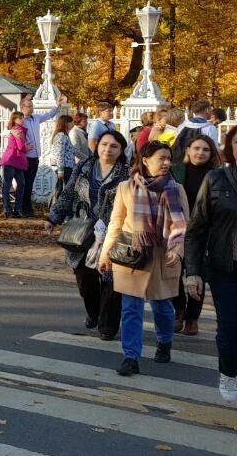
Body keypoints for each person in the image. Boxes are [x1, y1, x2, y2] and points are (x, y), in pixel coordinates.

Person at [98, 140, 189, 377]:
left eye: (169, 158)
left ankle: (164, 341)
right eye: (162, 158)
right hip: (133, 254)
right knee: (131, 308)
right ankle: (130, 357)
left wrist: (176, 250)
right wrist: (106, 253)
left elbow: (183, 224)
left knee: (162, 307)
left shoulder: (175, 189)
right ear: (146, 160)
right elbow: (116, 223)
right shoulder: (126, 188)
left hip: (163, 255)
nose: (167, 162)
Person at [48, 129, 130, 340]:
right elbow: (68, 193)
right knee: (85, 279)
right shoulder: (84, 167)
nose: (107, 149)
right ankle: (94, 312)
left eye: (114, 146)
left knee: (111, 282)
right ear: (97, 146)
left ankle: (107, 325)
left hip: (113, 232)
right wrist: (53, 217)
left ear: (121, 150)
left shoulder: (127, 173)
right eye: (104, 144)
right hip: (82, 231)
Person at [184, 126, 237, 403]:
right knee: (229, 327)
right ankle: (229, 372)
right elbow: (197, 229)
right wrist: (193, 272)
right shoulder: (217, 179)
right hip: (225, 267)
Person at [171, 135, 219, 335]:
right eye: (196, 148)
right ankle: (179, 309)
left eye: (205, 150)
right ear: (188, 150)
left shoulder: (217, 175)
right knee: (174, 272)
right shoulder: (176, 171)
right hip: (177, 229)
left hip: (204, 233)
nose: (200, 153)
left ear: (211, 154)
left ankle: (192, 318)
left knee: (198, 274)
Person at [19, 93, 65, 217]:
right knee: (25, 184)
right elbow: (14, 135)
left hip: (35, 157)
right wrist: (24, 147)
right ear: (22, 107)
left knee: (30, 184)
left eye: (32, 106)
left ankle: (27, 209)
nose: (31, 108)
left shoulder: (35, 118)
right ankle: (24, 209)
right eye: (29, 106)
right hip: (25, 157)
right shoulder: (20, 121)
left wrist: (57, 105)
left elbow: (49, 115)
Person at [0, 112, 29, 219]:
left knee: (13, 184)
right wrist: (27, 148)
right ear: (15, 119)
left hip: (14, 160)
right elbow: (21, 147)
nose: (23, 120)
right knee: (15, 184)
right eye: (20, 118)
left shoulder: (15, 129)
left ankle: (11, 209)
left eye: (22, 118)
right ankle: (13, 209)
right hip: (12, 159)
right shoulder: (18, 129)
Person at [49, 114, 75, 192]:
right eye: (71, 122)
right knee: (62, 191)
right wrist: (60, 170)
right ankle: (58, 204)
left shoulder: (65, 135)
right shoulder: (61, 135)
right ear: (66, 123)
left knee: (64, 190)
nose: (73, 124)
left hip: (67, 167)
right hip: (64, 168)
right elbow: (59, 154)